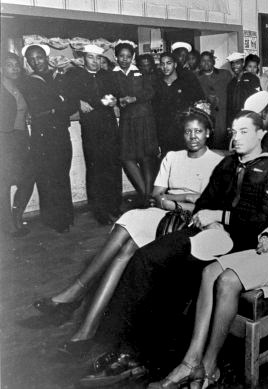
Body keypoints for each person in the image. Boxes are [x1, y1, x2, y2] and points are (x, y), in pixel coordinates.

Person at [78, 111, 268, 386]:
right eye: (233, 131)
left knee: (173, 275)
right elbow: (204, 204)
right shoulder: (228, 166)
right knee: (145, 259)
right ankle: (115, 348)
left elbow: (263, 220)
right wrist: (207, 219)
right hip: (210, 234)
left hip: (241, 244)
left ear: (260, 134)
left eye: (244, 131)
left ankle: (142, 358)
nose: (236, 138)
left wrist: (220, 219)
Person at [149, 122, 268, 388]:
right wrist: (267, 234)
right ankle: (190, 361)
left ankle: (209, 367)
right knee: (210, 272)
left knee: (228, 280)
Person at [33, 110, 223, 354]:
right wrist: (185, 197)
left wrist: (176, 199)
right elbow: (155, 196)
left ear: (208, 133)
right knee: (128, 228)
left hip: (188, 223)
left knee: (127, 244)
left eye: (198, 131)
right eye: (188, 131)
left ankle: (78, 301)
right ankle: (85, 324)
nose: (193, 136)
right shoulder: (173, 157)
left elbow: (206, 206)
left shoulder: (217, 163)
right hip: (162, 215)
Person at [18, 44, 77, 233]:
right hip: (41, 135)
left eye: (39, 57)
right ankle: (53, 219)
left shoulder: (60, 76)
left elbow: (72, 104)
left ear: (46, 57)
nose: (36, 62)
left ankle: (66, 217)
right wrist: (58, 103)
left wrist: (56, 105)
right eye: (32, 59)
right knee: (46, 177)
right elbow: (37, 108)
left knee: (61, 175)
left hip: (60, 132)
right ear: (27, 62)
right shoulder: (27, 82)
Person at [67, 44, 122, 225]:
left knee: (113, 165)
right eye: (91, 57)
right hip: (91, 127)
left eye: (98, 58)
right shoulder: (75, 75)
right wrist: (77, 101)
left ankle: (115, 206)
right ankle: (100, 211)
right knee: (96, 169)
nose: (95, 61)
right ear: (84, 58)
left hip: (109, 125)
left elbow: (114, 96)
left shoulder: (108, 76)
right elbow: (66, 95)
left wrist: (110, 100)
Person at [112, 40, 159, 206]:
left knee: (146, 158)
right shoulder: (112, 74)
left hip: (145, 118)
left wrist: (134, 98)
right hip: (127, 120)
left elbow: (150, 92)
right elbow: (111, 95)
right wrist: (118, 100)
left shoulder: (140, 72)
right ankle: (146, 195)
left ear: (132, 58)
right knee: (127, 158)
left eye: (128, 56)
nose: (125, 59)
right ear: (116, 56)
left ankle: (147, 198)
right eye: (121, 56)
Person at [0, 52, 35, 236]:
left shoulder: (20, 85)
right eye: (9, 65)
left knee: (28, 178)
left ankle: (16, 214)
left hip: (21, 138)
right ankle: (8, 225)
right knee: (4, 183)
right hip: (4, 139)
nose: (14, 68)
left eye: (16, 65)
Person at [153, 52, 205, 156]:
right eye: (162, 64)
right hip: (164, 133)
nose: (165, 67)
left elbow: (200, 102)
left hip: (184, 131)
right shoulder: (157, 84)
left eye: (168, 63)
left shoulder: (186, 81)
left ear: (175, 64)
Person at [193, 51, 230, 149]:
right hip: (204, 117)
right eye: (203, 61)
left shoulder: (225, 74)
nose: (206, 63)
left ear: (213, 62)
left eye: (209, 60)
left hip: (222, 117)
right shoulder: (194, 77)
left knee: (222, 145)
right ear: (199, 63)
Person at [225, 52, 261, 128]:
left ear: (243, 63)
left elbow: (258, 100)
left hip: (249, 119)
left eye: (237, 63)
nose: (235, 66)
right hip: (235, 120)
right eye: (232, 63)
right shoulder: (231, 82)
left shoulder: (252, 78)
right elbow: (229, 106)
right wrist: (228, 125)